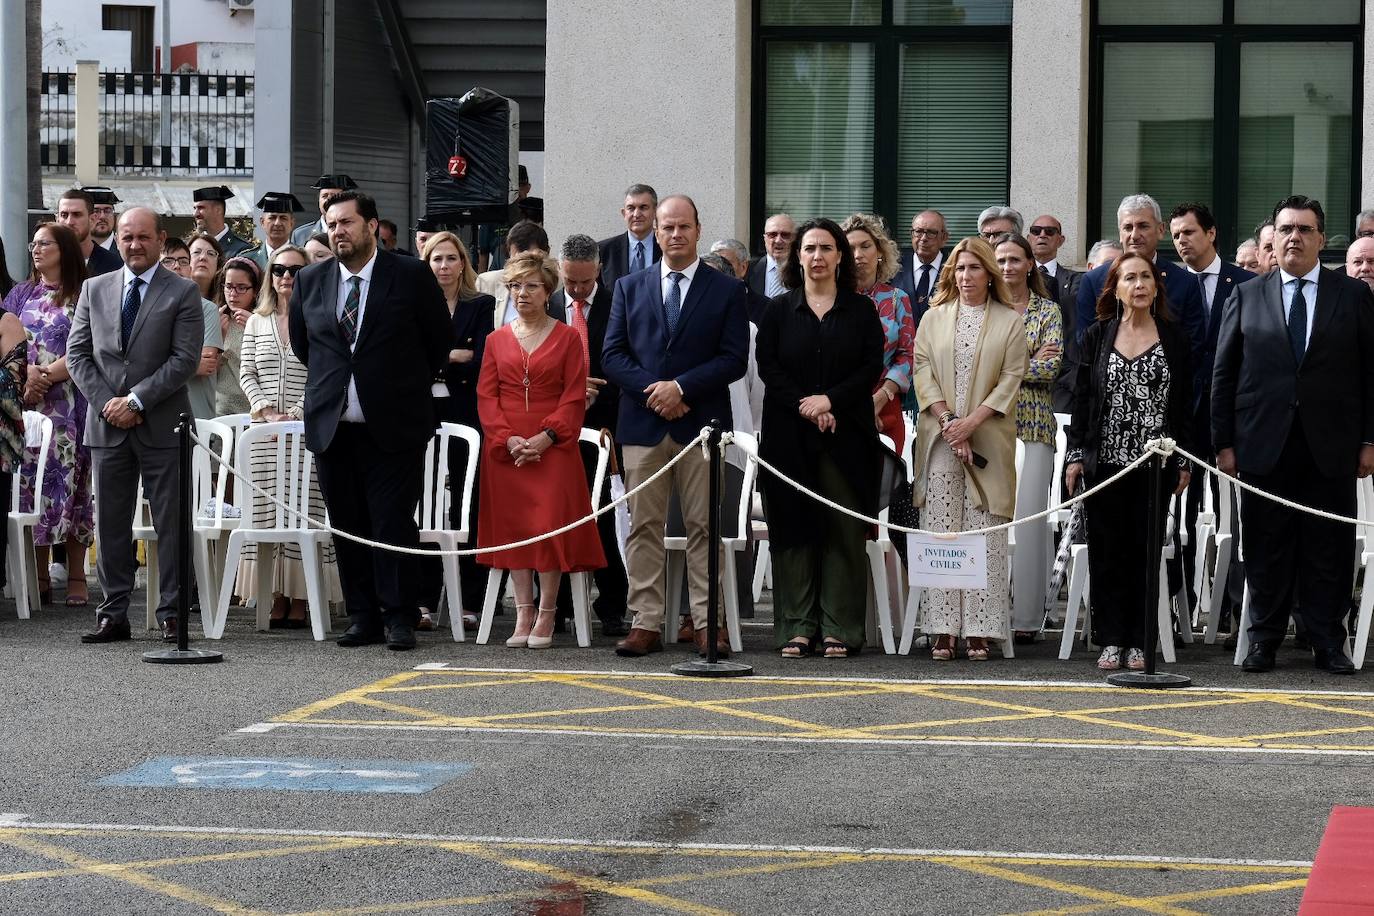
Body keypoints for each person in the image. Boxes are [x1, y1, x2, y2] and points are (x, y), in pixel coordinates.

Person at [1213, 195, 1374, 676]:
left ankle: (1328, 641)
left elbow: (1370, 373)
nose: (1294, 238)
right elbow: (1224, 374)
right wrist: (1223, 443)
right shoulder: (1245, 295)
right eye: (1286, 229)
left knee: (1329, 548)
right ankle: (1263, 640)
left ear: (1322, 240)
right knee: (1266, 547)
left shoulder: (1352, 295)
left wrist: (1369, 439)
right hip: (1263, 443)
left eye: (1305, 230)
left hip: (1332, 444)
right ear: (1273, 238)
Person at [288, 190, 454, 651]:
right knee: (348, 522)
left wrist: (393, 381)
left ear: (372, 226)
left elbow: (437, 341)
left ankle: (399, 616)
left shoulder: (411, 274)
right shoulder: (310, 281)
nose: (338, 231)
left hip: (395, 425)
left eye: (346, 222)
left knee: (392, 523)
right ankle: (363, 616)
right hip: (333, 426)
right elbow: (308, 348)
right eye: (332, 223)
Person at [602, 194, 749, 658]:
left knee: (703, 527)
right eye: (667, 227)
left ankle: (707, 623)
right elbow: (612, 356)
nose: (675, 234)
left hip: (700, 427)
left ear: (698, 229)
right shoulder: (628, 286)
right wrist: (656, 391)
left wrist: (681, 388)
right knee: (642, 526)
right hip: (643, 426)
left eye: (683, 226)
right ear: (656, 232)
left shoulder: (725, 290)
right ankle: (645, 621)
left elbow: (733, 359)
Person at [68, 207, 204, 644]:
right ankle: (113, 613)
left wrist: (137, 399)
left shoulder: (182, 292)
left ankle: (172, 614)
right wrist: (109, 403)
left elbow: (184, 359)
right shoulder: (94, 288)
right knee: (110, 523)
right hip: (107, 424)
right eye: (127, 238)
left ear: (161, 239)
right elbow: (77, 355)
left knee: (171, 522)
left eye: (143, 237)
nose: (134, 245)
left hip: (162, 423)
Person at [756, 218, 883, 658]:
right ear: (797, 257)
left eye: (826, 248)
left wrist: (830, 402)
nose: (817, 256)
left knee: (843, 532)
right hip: (788, 437)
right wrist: (808, 406)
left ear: (840, 256)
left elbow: (869, 367)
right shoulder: (777, 310)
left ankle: (840, 628)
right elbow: (770, 369)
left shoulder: (861, 310)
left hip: (847, 435)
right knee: (794, 529)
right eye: (809, 248)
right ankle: (796, 625)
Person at [1065, 253, 1193, 671]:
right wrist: (1075, 456)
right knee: (1107, 552)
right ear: (1115, 288)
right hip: (1105, 463)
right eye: (1129, 278)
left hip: (1155, 467)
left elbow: (1186, 406)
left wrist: (1186, 460)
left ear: (1156, 286)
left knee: (1144, 553)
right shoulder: (1097, 336)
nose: (1139, 284)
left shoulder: (1174, 338)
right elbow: (1082, 400)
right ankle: (1111, 637)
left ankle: (1141, 638)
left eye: (1146, 277)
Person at [475, 252, 605, 648]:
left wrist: (548, 437)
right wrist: (507, 438)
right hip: (507, 449)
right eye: (515, 285)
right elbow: (486, 396)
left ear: (548, 291)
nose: (522, 293)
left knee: (549, 525)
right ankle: (523, 611)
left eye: (531, 286)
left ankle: (547, 611)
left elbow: (573, 397)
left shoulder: (567, 338)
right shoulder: (495, 340)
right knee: (514, 528)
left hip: (555, 446)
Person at [911, 237, 1027, 661]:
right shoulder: (933, 318)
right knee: (943, 529)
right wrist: (948, 423)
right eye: (959, 269)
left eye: (974, 268)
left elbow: (1012, 378)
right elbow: (921, 371)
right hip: (940, 437)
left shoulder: (1009, 320)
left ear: (989, 273)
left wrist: (971, 425)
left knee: (983, 531)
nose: (965, 277)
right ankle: (943, 627)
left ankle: (980, 628)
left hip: (988, 438)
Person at [237, 244, 341, 629]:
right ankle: (273, 596)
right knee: (266, 513)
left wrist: (294, 415)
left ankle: (301, 599)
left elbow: (323, 372)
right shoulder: (257, 321)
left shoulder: (318, 317)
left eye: (295, 270)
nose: (286, 277)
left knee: (304, 511)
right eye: (278, 269)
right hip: (263, 435)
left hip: (304, 431)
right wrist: (266, 412)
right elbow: (246, 372)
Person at [2, 222, 95, 607]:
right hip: (26, 404)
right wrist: (28, 379)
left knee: (73, 488)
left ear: (65, 249)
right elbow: (7, 341)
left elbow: (85, 346)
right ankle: (38, 575)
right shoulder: (20, 294)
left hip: (70, 405)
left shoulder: (83, 293)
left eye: (45, 244)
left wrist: (44, 375)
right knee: (31, 490)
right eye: (34, 243)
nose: (37, 250)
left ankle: (76, 575)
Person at [1168, 203, 1255, 613]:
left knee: (1230, 514)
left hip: (1229, 413)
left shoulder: (1245, 283)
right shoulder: (1164, 283)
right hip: (1182, 413)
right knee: (1180, 513)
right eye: (1176, 235)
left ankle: (1232, 610)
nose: (1182, 241)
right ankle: (1179, 605)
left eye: (1189, 232)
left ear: (1212, 233)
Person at [548, 234, 629, 636]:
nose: (577, 291)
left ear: (598, 269)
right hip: (556, 429)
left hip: (607, 427)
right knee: (560, 517)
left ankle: (612, 605)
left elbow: (631, 362)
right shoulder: (545, 305)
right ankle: (559, 605)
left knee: (604, 520)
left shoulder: (620, 303)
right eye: (570, 282)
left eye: (584, 282)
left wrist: (601, 388)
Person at [419, 230, 494, 632]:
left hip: (467, 413)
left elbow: (481, 360)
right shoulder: (415, 303)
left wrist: (436, 359)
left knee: (466, 505)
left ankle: (469, 599)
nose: (444, 266)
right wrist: (451, 356)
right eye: (436, 259)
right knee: (426, 502)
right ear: (426, 264)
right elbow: (410, 358)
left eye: (451, 258)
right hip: (424, 412)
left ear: (463, 263)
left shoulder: (481, 304)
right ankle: (424, 599)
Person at [993, 233, 1062, 643]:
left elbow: (1050, 366)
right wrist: (1020, 366)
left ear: (1029, 264)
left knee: (1029, 521)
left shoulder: (1047, 310)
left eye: (1015, 259)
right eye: (1000, 259)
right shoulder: (984, 308)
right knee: (988, 520)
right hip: (988, 426)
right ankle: (986, 610)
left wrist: (1000, 370)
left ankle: (1027, 617)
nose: (1007, 267)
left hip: (1034, 425)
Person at [1074, 195, 1207, 392]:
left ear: (1161, 230)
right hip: (1108, 397)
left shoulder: (1185, 282)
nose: (1134, 235)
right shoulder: (1093, 280)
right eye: (1128, 227)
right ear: (1120, 233)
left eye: (1143, 226)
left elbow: (1194, 346)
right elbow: (1084, 342)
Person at [841, 213, 913, 453]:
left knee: (886, 485)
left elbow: (907, 354)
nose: (858, 254)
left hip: (886, 405)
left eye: (865, 246)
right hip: (838, 403)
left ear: (880, 252)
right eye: (850, 248)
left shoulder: (897, 299)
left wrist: (882, 396)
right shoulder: (831, 299)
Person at [160, 237, 224, 419]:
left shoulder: (207, 309)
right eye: (168, 261)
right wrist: (192, 364)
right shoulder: (144, 308)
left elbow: (207, 364)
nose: (177, 266)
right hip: (157, 414)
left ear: (190, 268)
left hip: (198, 414)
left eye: (183, 261)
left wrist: (156, 363)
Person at [476, 220, 560, 328]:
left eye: (530, 261)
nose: (524, 268)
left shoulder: (561, 285)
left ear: (546, 253)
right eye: (517, 261)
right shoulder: (486, 283)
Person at [215, 256, 260, 416]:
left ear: (255, 291)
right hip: (221, 409)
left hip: (255, 408)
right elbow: (208, 370)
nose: (233, 294)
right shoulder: (217, 318)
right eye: (228, 286)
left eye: (241, 287)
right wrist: (218, 336)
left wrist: (256, 329)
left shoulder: (264, 321)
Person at [597, 184, 661, 291]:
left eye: (643, 207)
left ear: (655, 212)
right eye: (631, 208)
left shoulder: (667, 248)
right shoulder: (603, 251)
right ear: (624, 213)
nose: (636, 214)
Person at [893, 209, 949, 326]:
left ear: (944, 238)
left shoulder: (954, 268)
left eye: (931, 233)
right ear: (911, 235)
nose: (923, 238)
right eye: (918, 231)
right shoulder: (894, 267)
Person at [56, 188, 122, 277]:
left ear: (91, 219)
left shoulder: (118, 261)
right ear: (57, 219)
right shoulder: (47, 258)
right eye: (64, 215)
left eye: (107, 210)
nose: (69, 222)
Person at [710, 238, 770, 323]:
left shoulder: (766, 308)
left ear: (743, 267)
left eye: (726, 263)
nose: (719, 268)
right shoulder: (701, 302)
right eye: (715, 263)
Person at [291, 174, 357, 248]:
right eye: (324, 196)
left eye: (333, 196)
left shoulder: (354, 231)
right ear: (318, 200)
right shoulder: (300, 235)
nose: (328, 200)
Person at [249, 192, 304, 272]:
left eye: (283, 218)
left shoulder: (302, 258)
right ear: (262, 222)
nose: (277, 223)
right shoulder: (249, 258)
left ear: (292, 223)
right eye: (272, 218)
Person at [193, 186, 253, 258]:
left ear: (218, 210)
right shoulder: (190, 246)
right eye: (195, 208)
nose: (195, 214)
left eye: (201, 208)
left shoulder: (241, 250)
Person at [747, 213, 796, 299]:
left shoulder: (804, 270)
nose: (778, 240)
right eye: (772, 235)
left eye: (785, 235)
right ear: (765, 239)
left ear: (795, 238)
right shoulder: (747, 270)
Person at [85, 186, 120, 253]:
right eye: (96, 211)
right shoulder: (73, 250)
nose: (102, 216)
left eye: (107, 211)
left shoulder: (125, 250)